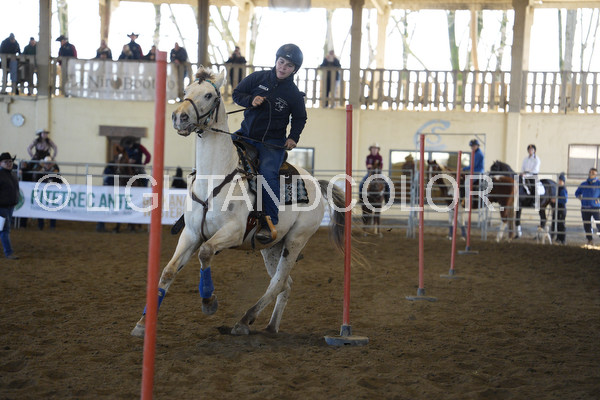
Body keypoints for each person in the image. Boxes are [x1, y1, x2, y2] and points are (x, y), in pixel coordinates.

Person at [232, 43, 307, 244]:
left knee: (267, 174)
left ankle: (269, 222)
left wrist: (293, 137)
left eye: (289, 65)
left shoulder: (293, 94)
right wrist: (250, 100)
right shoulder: (257, 78)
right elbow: (237, 93)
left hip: (272, 143)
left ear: (294, 69)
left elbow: (300, 118)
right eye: (281, 62)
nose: (283, 67)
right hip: (245, 135)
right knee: (219, 153)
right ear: (276, 60)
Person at [0, 152, 20, 260]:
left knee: (3, 229)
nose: (9, 163)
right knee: (5, 230)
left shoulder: (12, 174)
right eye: (6, 162)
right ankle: (9, 252)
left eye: (10, 161)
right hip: (2, 207)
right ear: (0, 163)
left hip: (9, 206)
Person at [33, 156, 60, 231]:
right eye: (46, 163)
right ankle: (40, 225)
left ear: (51, 164)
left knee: (53, 209)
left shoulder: (55, 171)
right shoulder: (40, 171)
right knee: (40, 208)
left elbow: (59, 181)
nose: (48, 165)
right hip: (42, 193)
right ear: (44, 164)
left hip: (52, 194)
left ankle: (52, 225)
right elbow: (36, 180)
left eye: (49, 163)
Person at [574, 167, 600, 246]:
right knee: (587, 224)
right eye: (590, 172)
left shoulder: (598, 184)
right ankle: (589, 240)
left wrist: (599, 199)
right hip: (585, 207)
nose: (591, 174)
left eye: (593, 173)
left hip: (595, 207)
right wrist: (580, 197)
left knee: (598, 223)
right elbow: (577, 193)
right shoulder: (583, 184)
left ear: (596, 175)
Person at [552, 172, 568, 245]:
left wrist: (556, 200)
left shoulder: (563, 189)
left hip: (561, 208)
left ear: (563, 182)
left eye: (561, 181)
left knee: (561, 224)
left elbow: (565, 200)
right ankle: (558, 238)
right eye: (559, 180)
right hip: (557, 208)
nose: (559, 182)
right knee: (558, 224)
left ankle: (563, 239)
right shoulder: (558, 188)